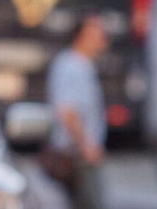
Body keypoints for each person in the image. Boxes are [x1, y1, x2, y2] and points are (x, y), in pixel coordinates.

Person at [44, 13, 109, 209]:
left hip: (82, 153)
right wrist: (86, 146)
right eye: (97, 31)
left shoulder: (84, 66)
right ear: (82, 35)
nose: (103, 36)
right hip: (76, 155)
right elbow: (67, 112)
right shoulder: (72, 66)